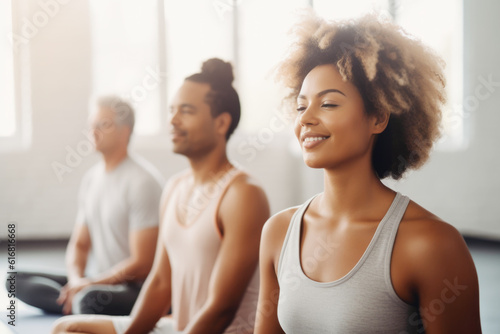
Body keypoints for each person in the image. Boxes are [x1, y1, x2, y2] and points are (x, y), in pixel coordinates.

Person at [255, 12, 482, 334]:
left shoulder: (432, 244)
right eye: (301, 106)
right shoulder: (277, 232)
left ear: (378, 118)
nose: (305, 119)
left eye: (329, 104)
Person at [52, 58, 270, 334]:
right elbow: (160, 283)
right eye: (172, 110)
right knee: (66, 329)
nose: (173, 120)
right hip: (177, 327)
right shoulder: (175, 187)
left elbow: (220, 309)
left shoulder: (243, 194)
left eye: (186, 111)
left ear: (221, 123)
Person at [11, 96, 163, 315]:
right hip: (96, 280)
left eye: (103, 125)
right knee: (15, 280)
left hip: (132, 288)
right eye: (93, 125)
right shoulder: (92, 179)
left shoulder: (143, 182)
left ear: (125, 131)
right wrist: (77, 281)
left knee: (90, 299)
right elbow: (80, 244)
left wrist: (91, 285)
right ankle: (76, 300)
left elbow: (143, 263)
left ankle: (79, 302)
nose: (94, 131)